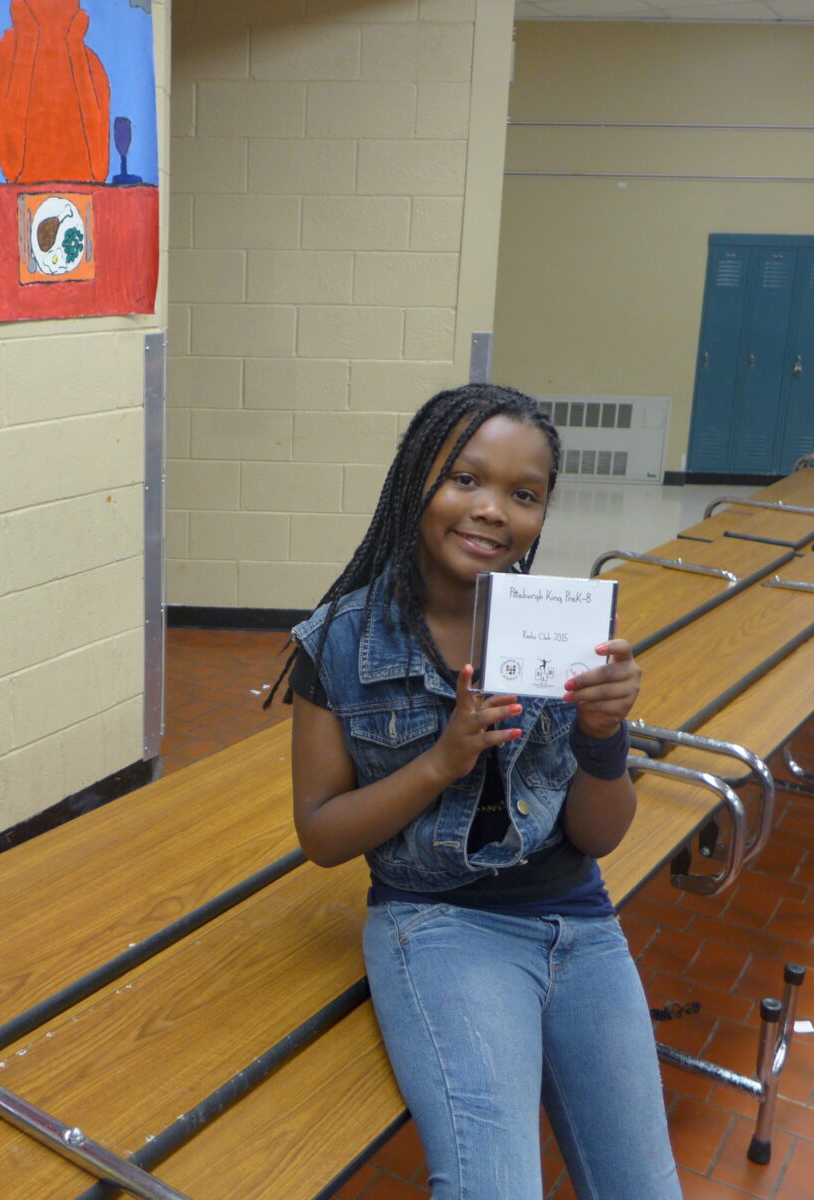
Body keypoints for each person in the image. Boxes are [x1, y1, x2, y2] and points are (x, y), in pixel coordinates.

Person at [276, 384, 681, 1199]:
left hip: (579, 919)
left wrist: (604, 736)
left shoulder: (560, 627)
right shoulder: (341, 642)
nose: (492, 509)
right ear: (415, 480)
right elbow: (321, 836)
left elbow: (599, 837)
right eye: (466, 479)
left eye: (522, 494)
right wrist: (441, 760)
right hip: (440, 925)